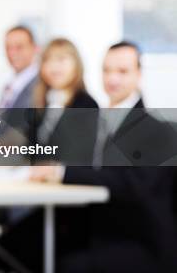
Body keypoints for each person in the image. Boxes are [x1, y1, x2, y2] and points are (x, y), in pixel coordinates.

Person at [30, 41, 177, 272]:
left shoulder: (156, 130)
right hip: (102, 227)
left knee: (62, 261)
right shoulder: (101, 121)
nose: (112, 79)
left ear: (139, 75)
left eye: (122, 71)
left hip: (140, 239)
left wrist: (63, 172)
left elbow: (132, 184)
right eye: (107, 70)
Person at [30, 38, 98, 164]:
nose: (53, 67)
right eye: (47, 60)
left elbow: (79, 156)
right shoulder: (42, 103)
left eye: (61, 59)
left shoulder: (86, 105)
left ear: (76, 64)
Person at [0, 25, 39, 108]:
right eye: (8, 48)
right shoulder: (10, 85)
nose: (12, 53)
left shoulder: (40, 86)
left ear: (35, 48)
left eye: (19, 47)